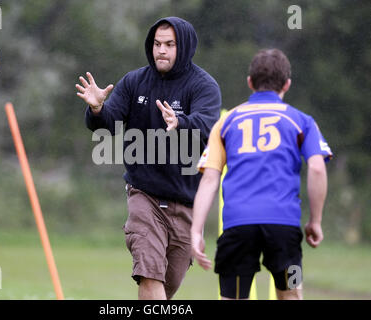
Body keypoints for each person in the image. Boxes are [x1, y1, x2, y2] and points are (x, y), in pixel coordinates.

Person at [75, 17, 222, 300]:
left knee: (164, 289)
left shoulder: (204, 86)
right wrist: (96, 109)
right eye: (157, 44)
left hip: (185, 204)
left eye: (169, 44)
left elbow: (207, 127)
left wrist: (181, 122)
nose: (161, 51)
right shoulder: (135, 82)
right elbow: (108, 122)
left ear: (186, 47)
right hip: (144, 197)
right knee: (150, 274)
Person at [191, 48, 332, 300]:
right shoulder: (302, 121)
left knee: (232, 297)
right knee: (291, 293)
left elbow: (210, 179)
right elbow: (318, 168)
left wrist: (196, 230)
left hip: (237, 228)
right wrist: (315, 221)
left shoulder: (226, 122)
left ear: (249, 82)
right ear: (287, 84)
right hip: (285, 230)